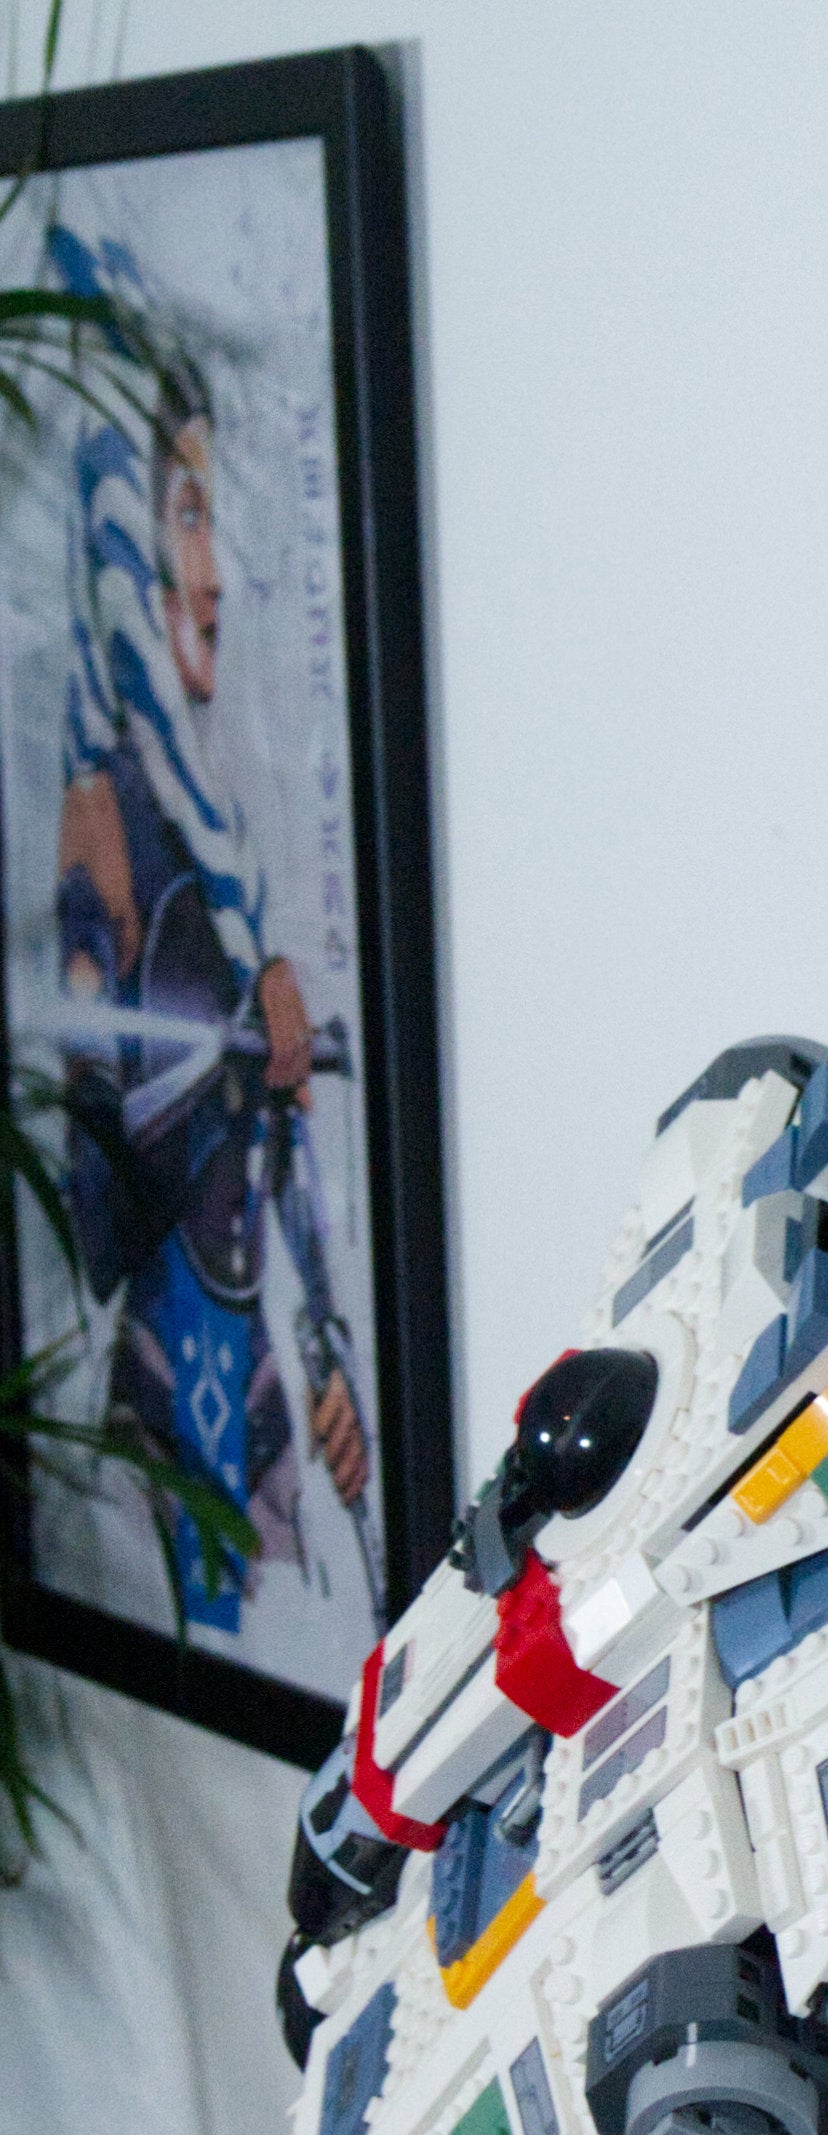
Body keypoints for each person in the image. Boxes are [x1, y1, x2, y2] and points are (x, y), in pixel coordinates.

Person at [49, 235, 365, 1628]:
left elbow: (285, 1150)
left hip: (261, 1366)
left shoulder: (221, 831)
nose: (214, 573)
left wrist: (333, 1348)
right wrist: (240, 1050)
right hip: (167, 1380)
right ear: (126, 532)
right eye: (188, 515)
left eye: (216, 520)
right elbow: (94, 1185)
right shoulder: (104, 819)